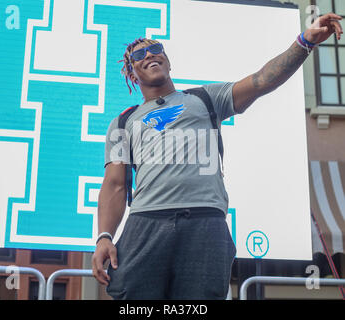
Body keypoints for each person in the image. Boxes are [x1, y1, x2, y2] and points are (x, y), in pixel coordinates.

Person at [92, 13, 343, 300]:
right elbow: (114, 185)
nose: (150, 54)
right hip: (147, 221)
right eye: (139, 54)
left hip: (205, 220)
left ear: (168, 61)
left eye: (156, 49)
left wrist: (305, 42)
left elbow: (262, 81)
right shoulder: (124, 122)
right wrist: (104, 237)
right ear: (132, 73)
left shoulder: (205, 99)